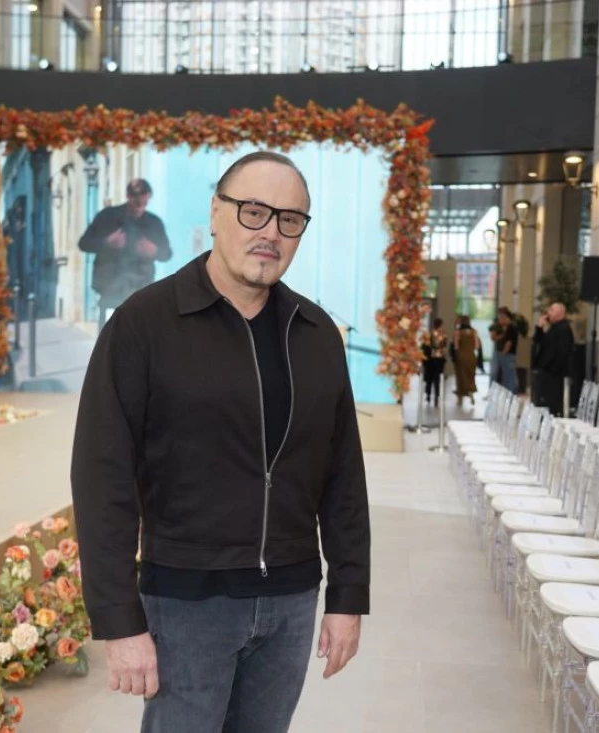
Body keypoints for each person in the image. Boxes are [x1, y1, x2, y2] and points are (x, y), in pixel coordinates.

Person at [71, 151, 370, 733]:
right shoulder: (144, 324)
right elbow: (101, 477)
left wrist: (348, 595)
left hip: (291, 601)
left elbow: (343, 476)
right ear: (215, 212)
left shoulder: (315, 334)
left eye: (289, 219)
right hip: (187, 603)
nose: (270, 233)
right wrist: (118, 620)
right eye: (253, 211)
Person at [78, 178, 173, 329]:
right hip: (111, 289)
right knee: (110, 337)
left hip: (142, 292)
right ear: (128, 196)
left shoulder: (154, 223)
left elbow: (167, 254)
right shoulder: (107, 217)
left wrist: (154, 251)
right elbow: (84, 243)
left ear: (148, 198)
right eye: (136, 199)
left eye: (144, 201)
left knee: (140, 337)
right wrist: (106, 243)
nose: (140, 205)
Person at [532, 302, 574, 417]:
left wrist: (551, 369)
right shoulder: (554, 328)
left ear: (560, 313)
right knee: (543, 402)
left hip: (554, 374)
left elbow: (562, 352)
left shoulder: (564, 329)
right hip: (547, 371)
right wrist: (539, 328)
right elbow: (539, 341)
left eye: (551, 310)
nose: (548, 313)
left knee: (552, 404)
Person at [453, 315, 480, 407]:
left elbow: (456, 346)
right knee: (471, 375)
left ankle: (460, 396)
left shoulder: (458, 332)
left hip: (461, 356)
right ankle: (471, 393)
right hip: (472, 356)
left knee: (461, 376)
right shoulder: (474, 332)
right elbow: (477, 346)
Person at [421, 318, 448, 407]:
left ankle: (428, 395)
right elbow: (445, 344)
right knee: (437, 378)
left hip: (430, 359)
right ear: (441, 324)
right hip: (440, 358)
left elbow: (424, 346)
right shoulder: (443, 334)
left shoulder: (429, 334)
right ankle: (437, 396)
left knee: (429, 377)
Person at [492, 307, 519, 394]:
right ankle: (495, 393)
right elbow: (494, 338)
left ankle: (510, 394)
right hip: (499, 353)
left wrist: (503, 353)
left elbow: (509, 343)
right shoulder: (499, 327)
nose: (500, 319)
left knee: (509, 376)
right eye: (499, 317)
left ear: (507, 317)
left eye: (502, 317)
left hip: (508, 355)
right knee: (495, 374)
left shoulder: (512, 327)